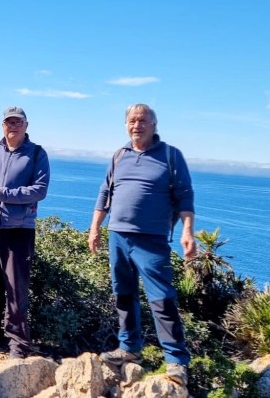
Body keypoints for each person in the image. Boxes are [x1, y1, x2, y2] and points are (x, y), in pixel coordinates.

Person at [87, 103, 197, 386]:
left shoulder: (171, 156)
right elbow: (105, 193)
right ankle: (129, 349)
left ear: (154, 124)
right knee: (123, 294)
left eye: (143, 120)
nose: (137, 125)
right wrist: (95, 228)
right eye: (132, 121)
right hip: (118, 235)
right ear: (126, 125)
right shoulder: (119, 156)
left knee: (161, 298)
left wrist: (187, 231)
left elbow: (184, 196)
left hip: (152, 239)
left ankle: (176, 360)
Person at [0, 106, 50, 359]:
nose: (12, 126)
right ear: (2, 125)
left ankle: (17, 343)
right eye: (8, 122)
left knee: (15, 287)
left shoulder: (36, 153)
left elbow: (40, 190)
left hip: (19, 229)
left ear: (26, 125)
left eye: (17, 122)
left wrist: (5, 194)